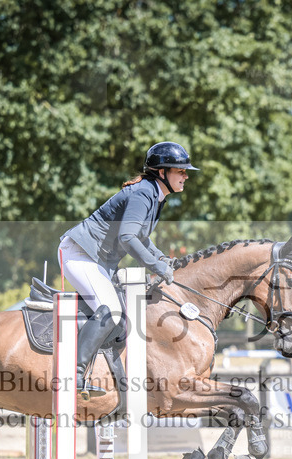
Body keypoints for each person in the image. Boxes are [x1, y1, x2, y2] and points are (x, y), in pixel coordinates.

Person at [59, 141, 199, 397]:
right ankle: (73, 375)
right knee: (111, 310)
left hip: (95, 259)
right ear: (162, 173)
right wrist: (156, 265)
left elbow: (141, 237)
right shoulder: (143, 193)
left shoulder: (154, 196)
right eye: (180, 171)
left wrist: (161, 259)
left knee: (119, 312)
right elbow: (127, 238)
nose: (186, 175)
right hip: (80, 254)